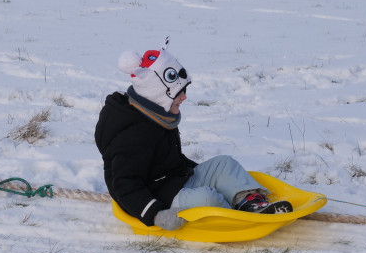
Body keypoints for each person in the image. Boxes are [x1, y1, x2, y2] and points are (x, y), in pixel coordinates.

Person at [95, 43, 292, 231]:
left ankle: (250, 203)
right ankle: (237, 219)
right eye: (179, 93)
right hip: (160, 199)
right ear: (159, 96)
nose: (185, 97)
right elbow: (123, 185)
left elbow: (169, 160)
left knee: (224, 164)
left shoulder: (158, 117)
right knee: (207, 199)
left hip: (177, 181)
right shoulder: (132, 136)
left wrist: (209, 177)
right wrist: (155, 214)